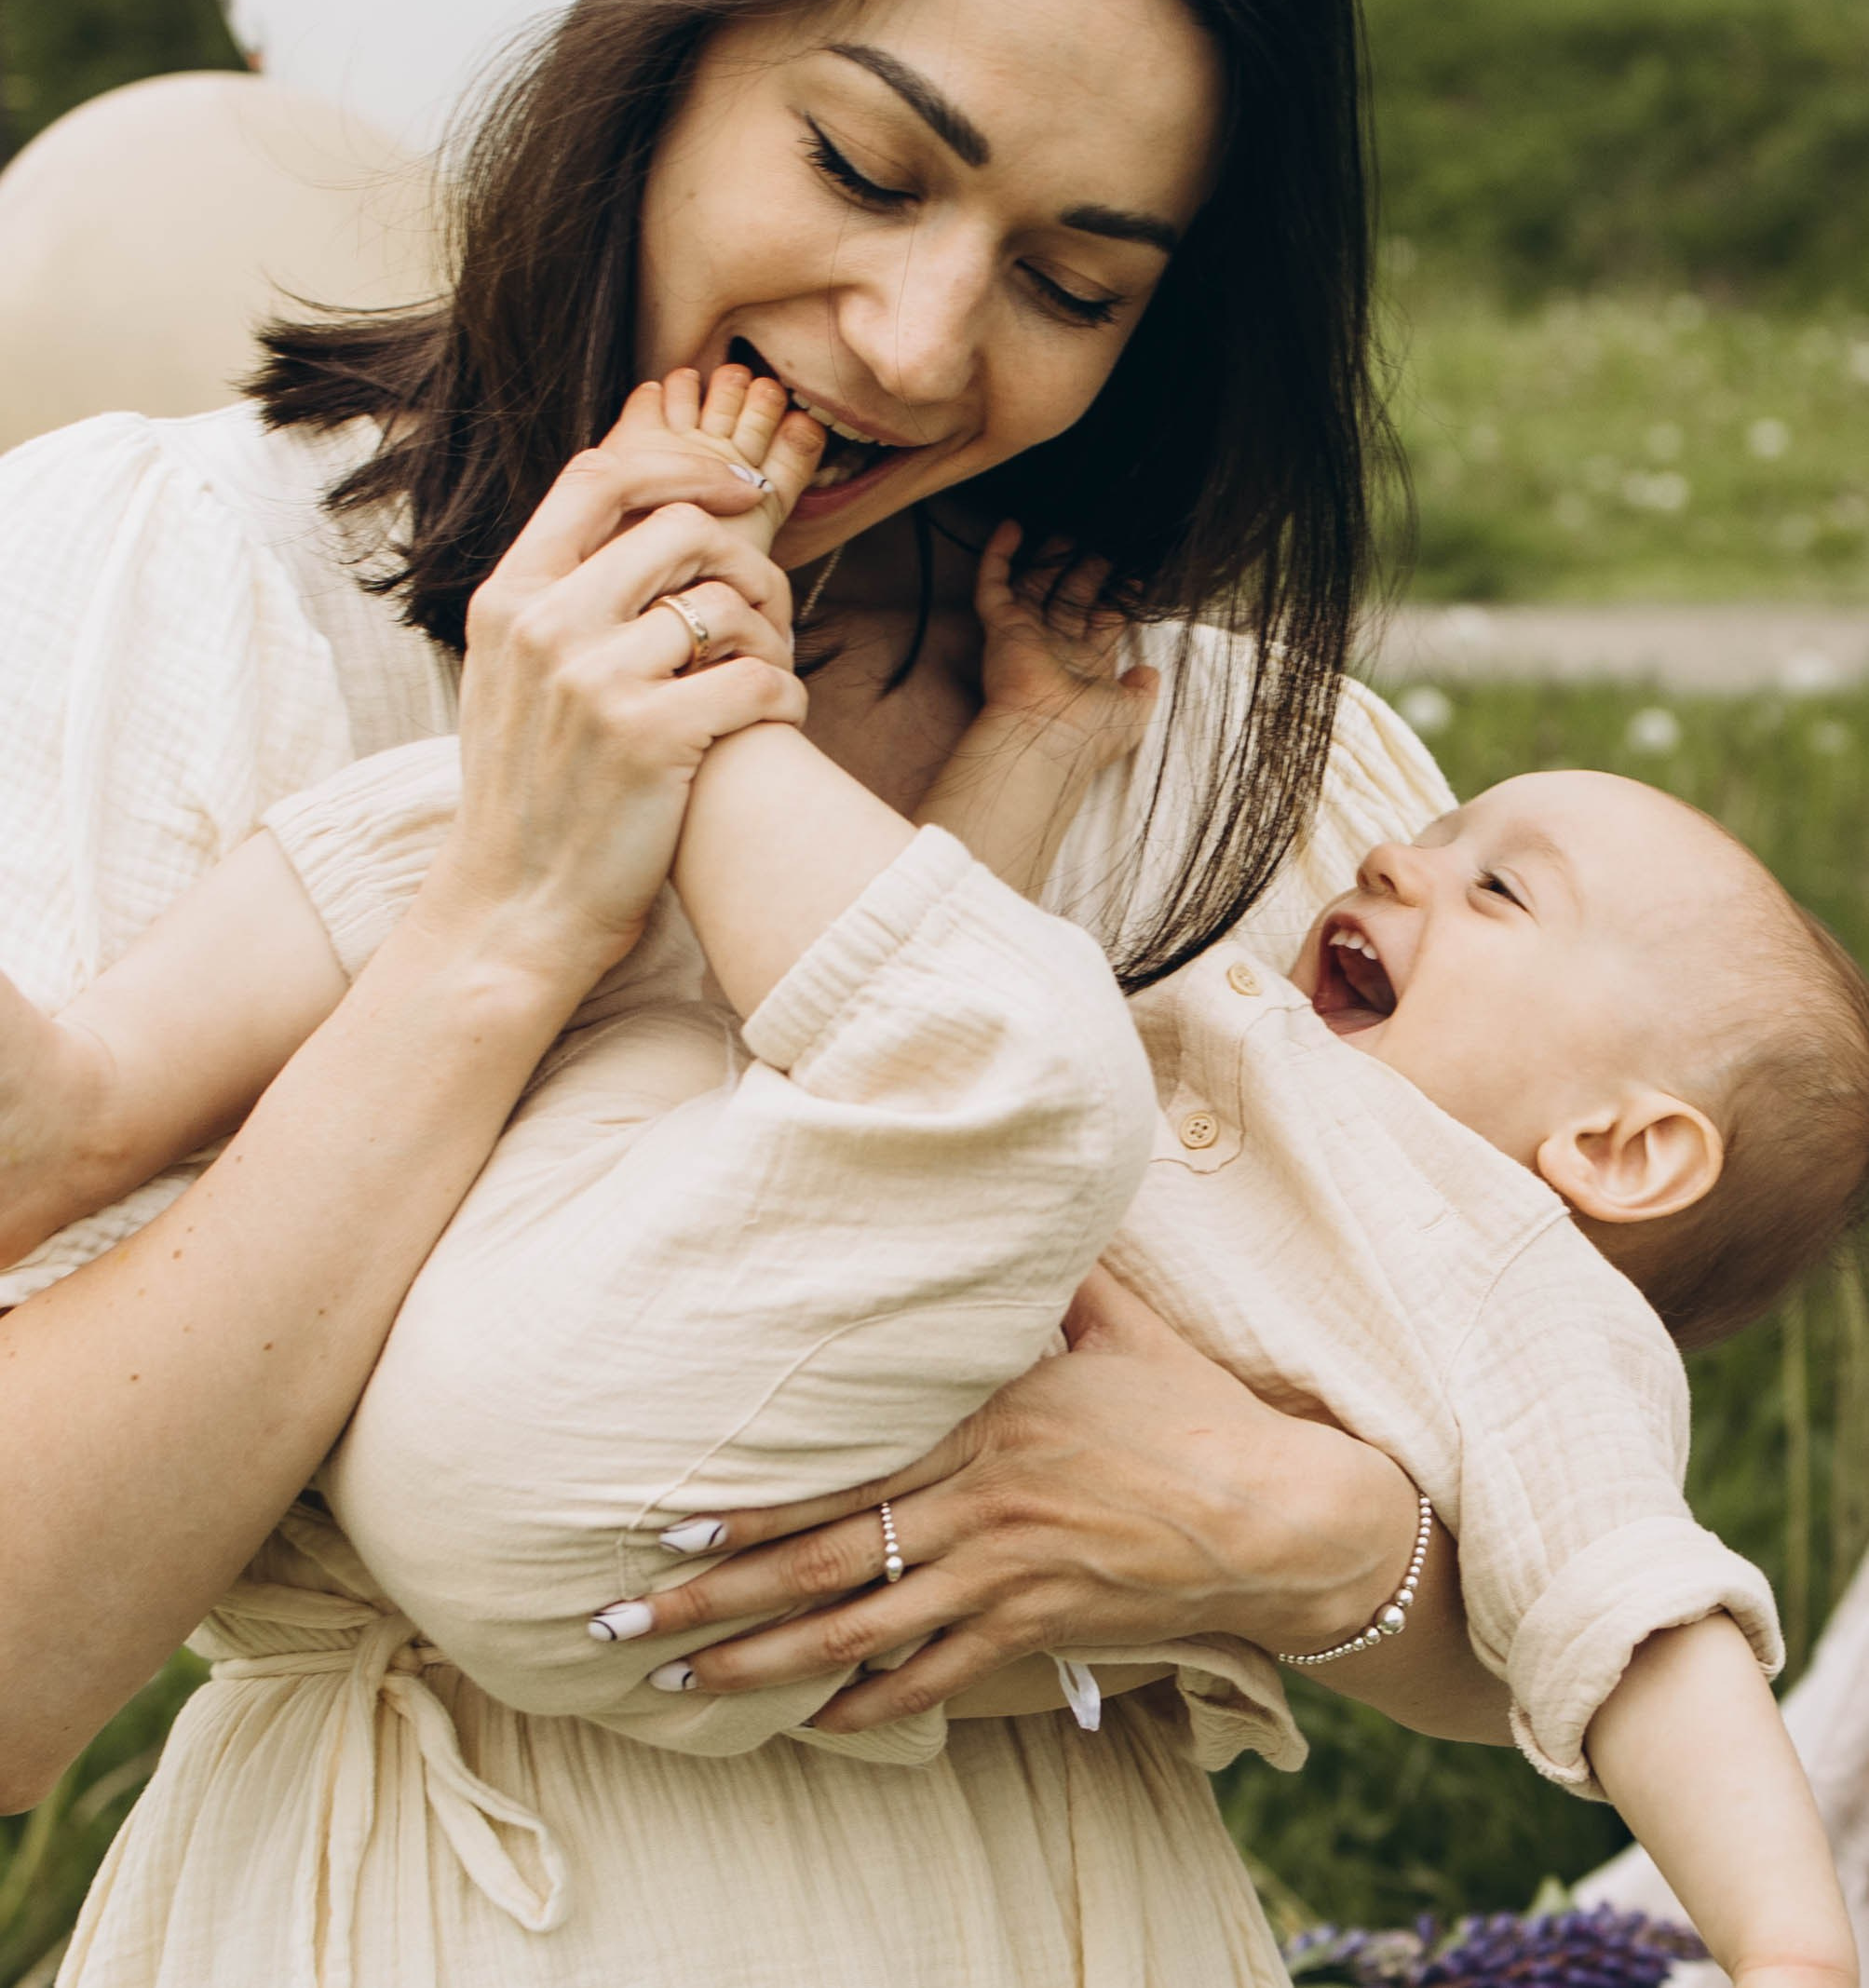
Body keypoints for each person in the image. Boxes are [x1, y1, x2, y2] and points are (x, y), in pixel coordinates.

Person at [0, 0, 1497, 1986]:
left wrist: (1294, 1536)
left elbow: (1553, 1557)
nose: (916, 342)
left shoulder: (1209, 755)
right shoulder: (192, 589)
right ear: (662, 47)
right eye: (863, 164)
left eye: (1072, 280)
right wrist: (501, 917)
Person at [7, 369, 1862, 1988]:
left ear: (1624, 1146)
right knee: (558, 842)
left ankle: (698, 662)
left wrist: (1784, 1941)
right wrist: (1031, 753)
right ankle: (99, 1086)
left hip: (648, 1519)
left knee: (947, 1005)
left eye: (1495, 887)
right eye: (1441, 836)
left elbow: (1644, 1624)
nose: (1395, 863)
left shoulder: (1511, 1291)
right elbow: (900, 978)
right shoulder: (1231, 1018)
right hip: (612, 1290)